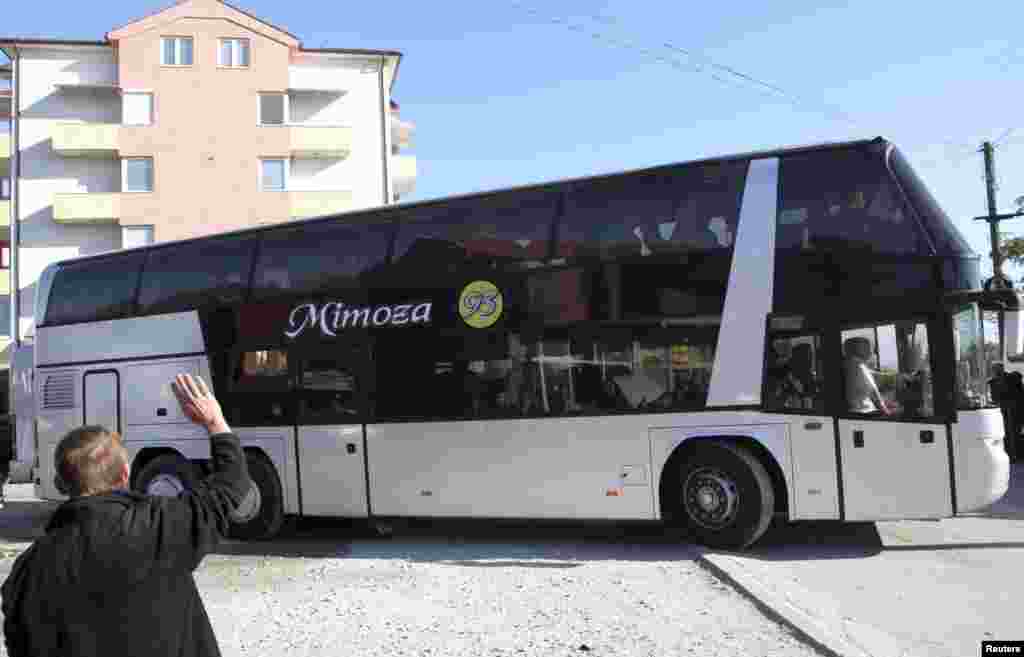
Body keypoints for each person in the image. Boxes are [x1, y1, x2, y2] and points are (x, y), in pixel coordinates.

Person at [1, 374, 253, 657]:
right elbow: (232, 484)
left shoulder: (26, 572)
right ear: (125, 474)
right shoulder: (159, 526)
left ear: (63, 485)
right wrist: (214, 422)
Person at [843, 337, 892, 416]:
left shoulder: (852, 364)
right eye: (868, 348)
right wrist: (885, 410)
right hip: (861, 413)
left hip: (861, 409)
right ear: (859, 349)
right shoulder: (856, 366)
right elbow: (869, 391)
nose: (871, 352)